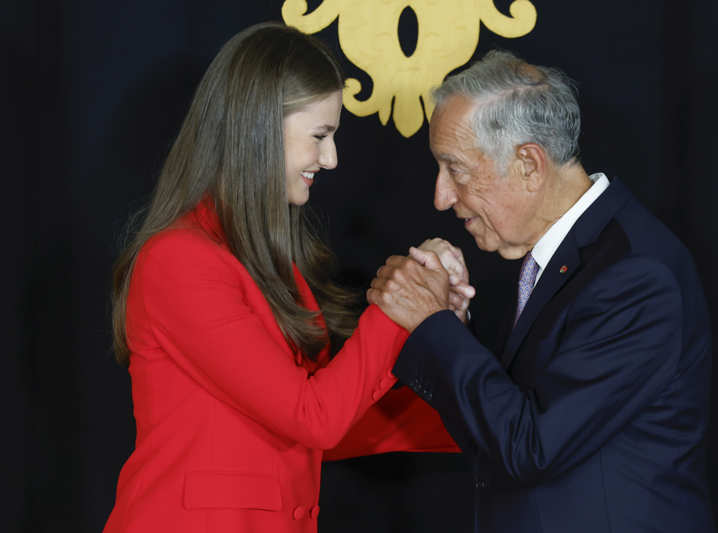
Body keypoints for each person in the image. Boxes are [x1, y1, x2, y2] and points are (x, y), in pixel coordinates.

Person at [103, 22, 459, 533]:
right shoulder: (178, 260)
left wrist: (444, 345)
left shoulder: (264, 260)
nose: (331, 159)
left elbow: (323, 421)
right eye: (321, 136)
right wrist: (401, 305)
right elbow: (315, 417)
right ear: (260, 126)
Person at [368, 50, 715, 532]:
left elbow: (529, 448)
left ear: (529, 163)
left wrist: (432, 324)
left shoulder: (637, 276)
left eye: (456, 170)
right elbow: (507, 428)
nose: (441, 196)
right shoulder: (567, 255)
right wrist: (450, 326)